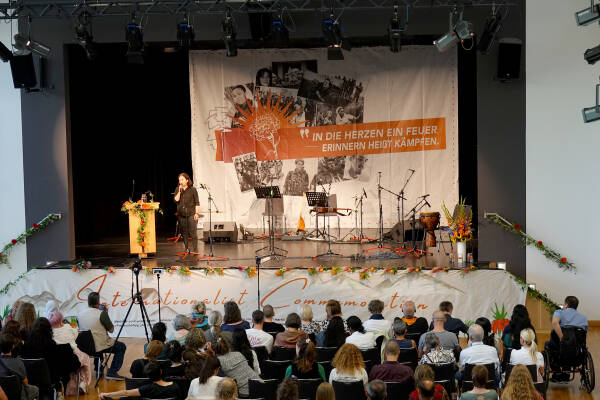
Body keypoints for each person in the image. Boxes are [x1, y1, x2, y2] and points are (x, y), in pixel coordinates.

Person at [22, 318, 80, 396]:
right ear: (49, 330)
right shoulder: (51, 345)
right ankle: (59, 391)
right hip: (50, 380)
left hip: (29, 380)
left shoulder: (26, 346)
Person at [78, 292, 126, 380]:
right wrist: (106, 314)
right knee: (121, 347)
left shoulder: (80, 314)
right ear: (98, 301)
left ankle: (98, 369)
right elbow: (111, 330)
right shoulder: (102, 313)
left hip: (84, 346)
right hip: (98, 345)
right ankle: (112, 372)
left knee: (96, 343)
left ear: (88, 301)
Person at [47, 310, 93, 394]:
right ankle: (83, 382)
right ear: (61, 319)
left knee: (74, 365)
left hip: (57, 359)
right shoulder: (68, 327)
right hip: (73, 355)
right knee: (85, 360)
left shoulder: (50, 332)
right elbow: (75, 336)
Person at [546, 295, 588, 382]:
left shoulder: (559, 312)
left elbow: (555, 323)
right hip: (576, 355)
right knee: (572, 345)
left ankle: (557, 372)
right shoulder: (583, 318)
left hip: (559, 353)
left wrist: (563, 339)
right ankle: (566, 373)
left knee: (548, 344)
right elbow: (583, 336)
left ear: (566, 305)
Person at [99, 361, 181, 399]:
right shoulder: (175, 386)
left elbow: (126, 392)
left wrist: (107, 394)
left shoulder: (147, 389)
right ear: (161, 371)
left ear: (148, 376)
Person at [0, 334, 39, 400]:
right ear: (13, 346)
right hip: (18, 394)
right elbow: (25, 383)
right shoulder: (18, 362)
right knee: (36, 389)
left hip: (2, 395)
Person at [173, 172, 200, 253]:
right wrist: (179, 191)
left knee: (193, 232)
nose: (180, 181)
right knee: (184, 232)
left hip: (191, 214)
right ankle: (186, 248)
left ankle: (195, 249)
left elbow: (197, 202)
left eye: (182, 179)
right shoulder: (177, 189)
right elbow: (176, 200)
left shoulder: (193, 189)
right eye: (179, 180)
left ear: (187, 180)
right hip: (181, 215)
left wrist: (196, 213)